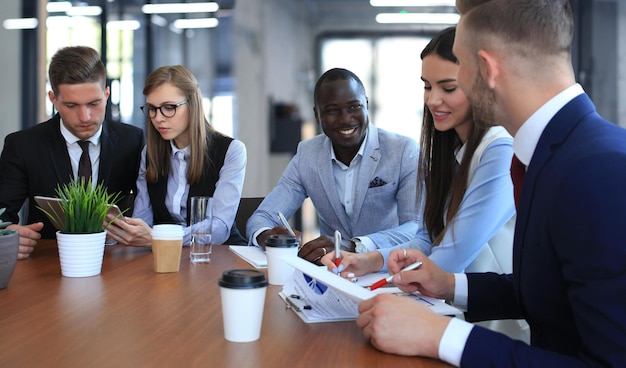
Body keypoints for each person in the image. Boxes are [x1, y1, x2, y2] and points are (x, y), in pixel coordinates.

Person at [356, 0, 626, 366]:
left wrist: (441, 336)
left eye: (461, 67)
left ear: (487, 68)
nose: (435, 98)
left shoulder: (598, 169)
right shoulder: (554, 153)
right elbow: (549, 290)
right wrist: (450, 285)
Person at [322, 27, 528, 341]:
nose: (433, 100)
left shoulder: (500, 150)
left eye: (448, 88)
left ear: (482, 83)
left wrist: (386, 279)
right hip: (457, 317)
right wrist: (369, 260)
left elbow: (450, 254)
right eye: (427, 86)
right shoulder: (453, 151)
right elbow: (428, 235)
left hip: (500, 328)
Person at [246, 68, 420, 264]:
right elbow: (261, 217)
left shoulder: (403, 150)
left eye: (354, 107)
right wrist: (267, 235)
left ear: (367, 105)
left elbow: (415, 227)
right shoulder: (307, 154)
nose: (346, 119)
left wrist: (355, 245)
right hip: (330, 274)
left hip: (386, 271)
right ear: (317, 114)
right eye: (332, 110)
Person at [0, 46, 145, 259]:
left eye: (94, 103)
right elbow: (2, 214)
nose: (85, 116)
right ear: (53, 99)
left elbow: (152, 208)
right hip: (47, 263)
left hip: (116, 262)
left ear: (107, 94)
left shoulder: (132, 140)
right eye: (71, 105)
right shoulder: (22, 145)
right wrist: (8, 235)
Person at [106, 65, 247, 247]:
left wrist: (161, 238)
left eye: (169, 107)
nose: (158, 118)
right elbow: (144, 220)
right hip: (168, 257)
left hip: (220, 255)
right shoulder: (149, 154)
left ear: (192, 105)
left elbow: (219, 228)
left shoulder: (232, 151)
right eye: (152, 109)